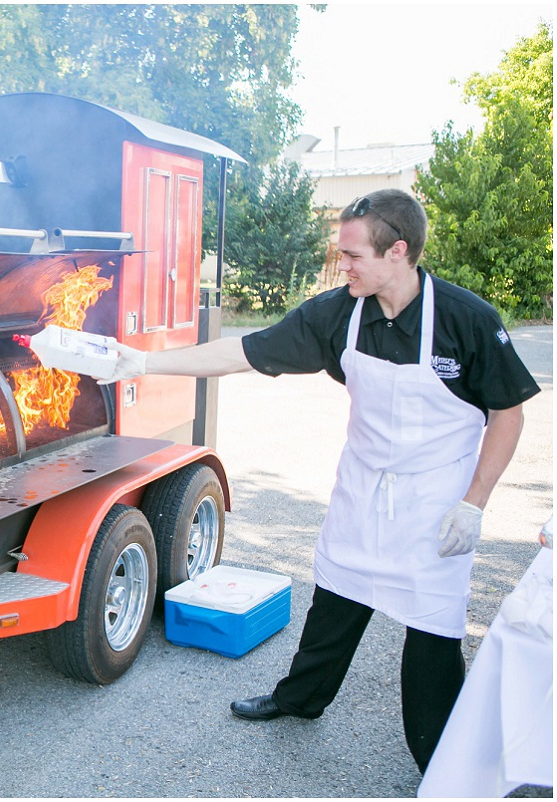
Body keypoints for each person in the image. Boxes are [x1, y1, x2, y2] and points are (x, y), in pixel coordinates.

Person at [102, 188, 541, 773]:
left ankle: (439, 759)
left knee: (432, 633)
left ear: (399, 251)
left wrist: (475, 503)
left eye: (354, 255)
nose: (343, 265)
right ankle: (301, 699)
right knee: (335, 598)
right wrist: (145, 362)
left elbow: (508, 412)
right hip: (363, 489)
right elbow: (243, 352)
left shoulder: (467, 321)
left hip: (437, 503)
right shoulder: (339, 313)